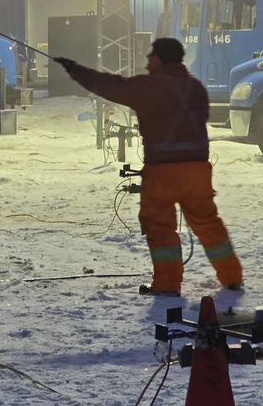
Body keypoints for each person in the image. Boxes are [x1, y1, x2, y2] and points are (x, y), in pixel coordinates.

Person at [55, 38, 242, 296]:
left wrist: (74, 69)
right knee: (208, 223)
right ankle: (232, 276)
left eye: (150, 56)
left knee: (160, 227)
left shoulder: (152, 86)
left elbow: (111, 86)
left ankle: (167, 285)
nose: (147, 61)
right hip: (198, 170)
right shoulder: (196, 87)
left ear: (159, 58)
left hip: (163, 172)